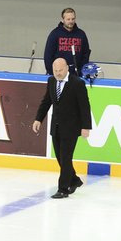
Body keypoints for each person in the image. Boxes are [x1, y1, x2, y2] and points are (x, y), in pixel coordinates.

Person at [32, 58, 92, 199]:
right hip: (56, 126)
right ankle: (75, 180)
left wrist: (86, 126)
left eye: (60, 70)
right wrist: (38, 119)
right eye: (55, 71)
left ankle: (63, 189)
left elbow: (84, 106)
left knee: (66, 158)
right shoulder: (51, 81)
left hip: (71, 128)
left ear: (67, 68)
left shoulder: (77, 83)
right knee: (60, 158)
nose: (58, 73)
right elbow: (46, 101)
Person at [43, 7, 91, 76]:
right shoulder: (55, 34)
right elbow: (48, 55)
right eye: (68, 19)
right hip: (59, 75)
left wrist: (82, 72)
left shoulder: (81, 34)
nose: (71, 21)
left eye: (73, 19)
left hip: (77, 76)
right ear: (62, 20)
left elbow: (85, 55)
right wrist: (52, 73)